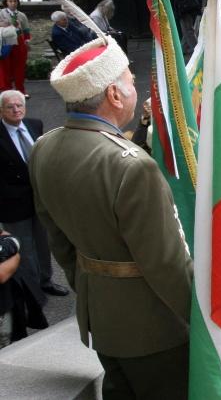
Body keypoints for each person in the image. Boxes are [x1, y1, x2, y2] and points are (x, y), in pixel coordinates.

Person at [30, 34, 191, 397]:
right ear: (114, 95)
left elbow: (60, 242)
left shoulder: (44, 148)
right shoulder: (133, 167)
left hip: (101, 317)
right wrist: (202, 320)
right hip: (156, 328)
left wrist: (95, 291)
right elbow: (166, 265)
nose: (136, 90)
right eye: (132, 82)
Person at [0, 89, 68, 302]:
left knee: (43, 242)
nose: (16, 110)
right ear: (1, 110)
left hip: (40, 198)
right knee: (25, 248)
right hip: (13, 202)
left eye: (19, 105)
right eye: (10, 107)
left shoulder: (34, 124)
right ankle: (33, 291)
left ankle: (46, 281)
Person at [0, 0, 31, 94]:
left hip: (19, 42)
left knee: (19, 68)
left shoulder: (21, 15)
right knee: (6, 68)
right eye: (10, 1)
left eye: (15, 1)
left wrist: (27, 41)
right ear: (6, 3)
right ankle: (7, 91)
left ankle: (20, 90)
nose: (13, 3)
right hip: (6, 42)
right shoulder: (1, 13)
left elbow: (26, 30)